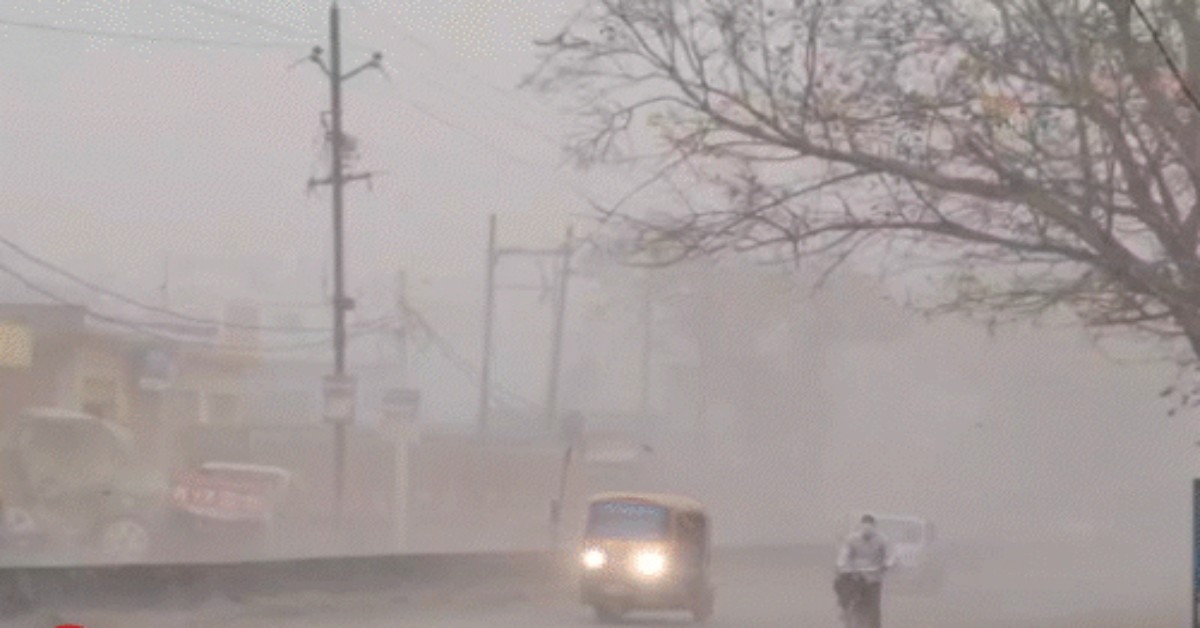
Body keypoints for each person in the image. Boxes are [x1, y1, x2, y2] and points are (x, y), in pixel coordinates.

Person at [835, 514, 894, 628]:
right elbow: (843, 555)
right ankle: (846, 617)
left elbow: (890, 555)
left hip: (873, 577)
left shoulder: (882, 540)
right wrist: (843, 567)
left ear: (874, 527)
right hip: (855, 576)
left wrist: (886, 565)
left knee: (874, 606)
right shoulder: (851, 539)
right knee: (846, 598)